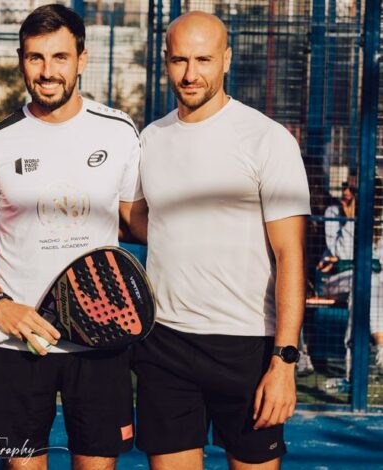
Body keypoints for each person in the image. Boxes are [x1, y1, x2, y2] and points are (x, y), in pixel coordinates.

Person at [0, 4, 147, 469]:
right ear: (21, 60)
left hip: (100, 339)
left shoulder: (119, 132)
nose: (47, 71)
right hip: (18, 343)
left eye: (60, 57)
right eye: (35, 58)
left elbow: (138, 223)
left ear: (82, 59)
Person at [134, 11, 310, 469]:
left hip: (246, 346)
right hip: (165, 342)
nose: (190, 74)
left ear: (226, 60)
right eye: (179, 61)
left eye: (204, 60)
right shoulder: (151, 139)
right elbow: (139, 222)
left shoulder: (267, 140)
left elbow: (290, 254)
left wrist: (284, 362)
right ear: (166, 61)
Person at [321, 180, 383, 378]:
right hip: (335, 280)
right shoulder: (333, 212)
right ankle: (380, 346)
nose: (346, 192)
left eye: (353, 189)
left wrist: (348, 262)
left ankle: (353, 369)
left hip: (367, 283)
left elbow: (377, 263)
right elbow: (341, 252)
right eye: (345, 187)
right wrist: (351, 220)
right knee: (366, 280)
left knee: (364, 285)